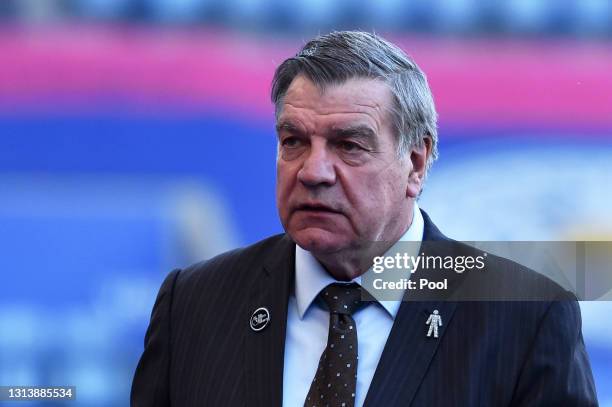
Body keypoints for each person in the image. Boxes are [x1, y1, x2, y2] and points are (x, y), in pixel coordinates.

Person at [131, 31, 597, 407]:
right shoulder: (193, 303)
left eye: (348, 145)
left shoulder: (523, 314)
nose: (313, 172)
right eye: (293, 141)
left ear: (415, 164)